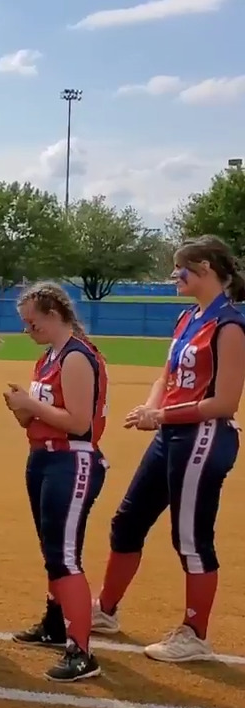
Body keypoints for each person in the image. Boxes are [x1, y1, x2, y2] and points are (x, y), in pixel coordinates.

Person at [93, 235, 245, 663]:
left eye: (181, 269)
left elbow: (225, 402)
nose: (174, 276)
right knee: (128, 521)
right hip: (172, 434)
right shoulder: (187, 319)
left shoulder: (229, 326)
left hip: (204, 437)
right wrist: (152, 406)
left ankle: (195, 634)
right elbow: (167, 376)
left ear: (207, 270)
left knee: (191, 537)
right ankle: (105, 611)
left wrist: (160, 416)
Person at [0, 282, 109, 682]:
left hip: (71, 459)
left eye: (32, 323)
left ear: (53, 313)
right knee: (54, 550)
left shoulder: (76, 356)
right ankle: (54, 622)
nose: (28, 331)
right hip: (44, 456)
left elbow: (79, 424)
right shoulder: (50, 358)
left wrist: (31, 405)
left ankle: (81, 651)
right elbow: (40, 416)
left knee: (64, 555)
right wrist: (22, 408)